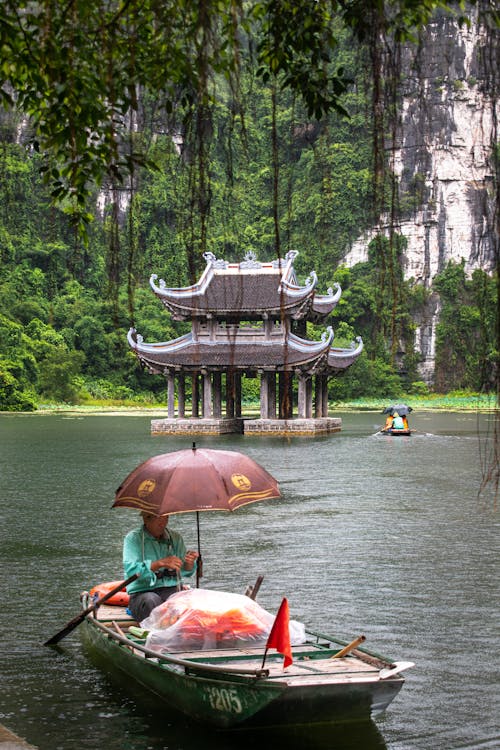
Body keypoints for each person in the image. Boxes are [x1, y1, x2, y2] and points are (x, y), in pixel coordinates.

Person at [123, 511, 199, 622]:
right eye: (158, 518)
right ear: (146, 519)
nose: (162, 523)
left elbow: (185, 571)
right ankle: (157, 632)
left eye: (165, 518)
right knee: (151, 600)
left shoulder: (175, 538)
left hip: (170, 590)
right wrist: (159, 563)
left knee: (185, 601)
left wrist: (189, 563)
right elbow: (132, 570)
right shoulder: (133, 539)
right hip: (142, 593)